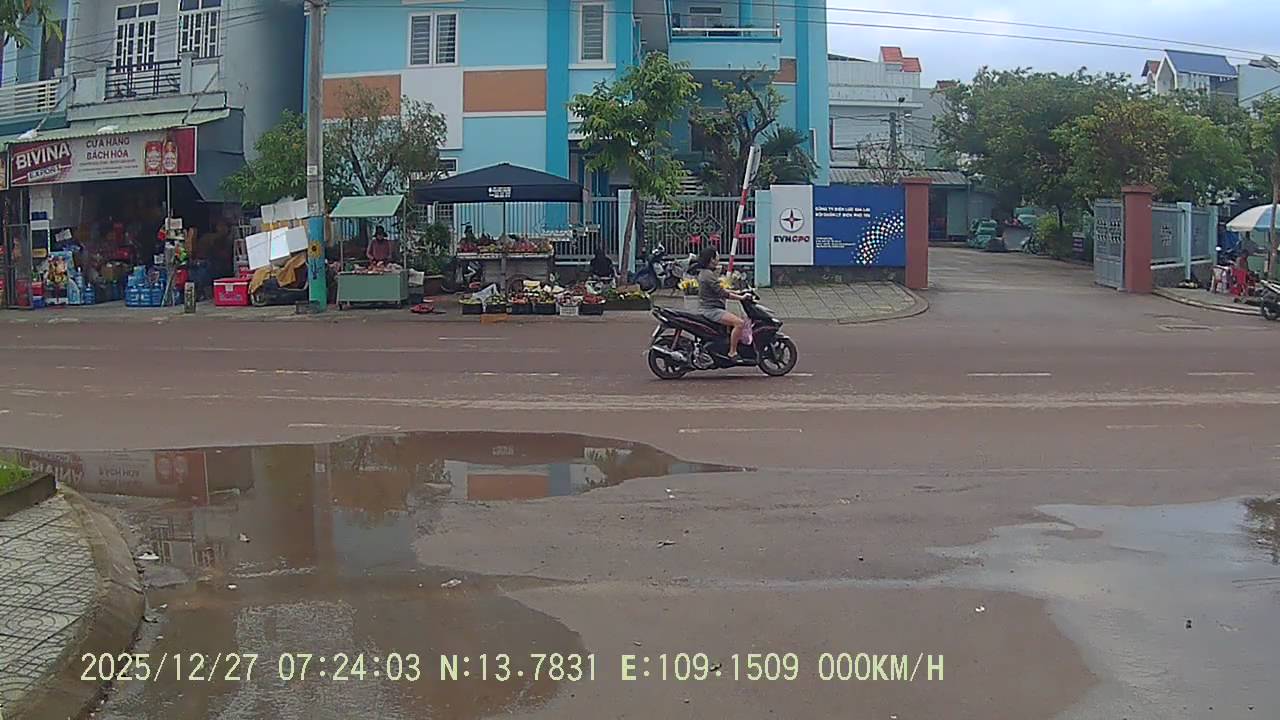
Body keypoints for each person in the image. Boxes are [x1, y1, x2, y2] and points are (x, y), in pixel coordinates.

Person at [695, 245, 748, 359]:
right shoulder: (708, 275)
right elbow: (723, 293)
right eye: (717, 257)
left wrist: (738, 292)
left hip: (712, 308)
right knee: (739, 323)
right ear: (711, 259)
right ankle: (732, 352)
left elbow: (720, 290)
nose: (718, 260)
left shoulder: (706, 273)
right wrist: (741, 298)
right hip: (711, 310)